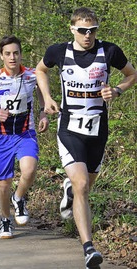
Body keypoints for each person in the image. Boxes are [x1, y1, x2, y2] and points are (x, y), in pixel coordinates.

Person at [34, 7, 136, 268]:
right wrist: (47, 98)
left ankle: (69, 190)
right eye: (82, 30)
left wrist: (117, 90)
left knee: (85, 186)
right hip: (69, 129)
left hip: (98, 130)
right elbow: (40, 70)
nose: (87, 35)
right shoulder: (59, 52)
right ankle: (89, 248)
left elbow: (132, 74)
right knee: (81, 185)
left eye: (92, 30)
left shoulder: (109, 51)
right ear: (73, 30)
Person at [0, 36, 49, 239]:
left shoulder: (32, 75)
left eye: (16, 53)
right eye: (8, 53)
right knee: (4, 182)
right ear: (1, 56)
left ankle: (19, 197)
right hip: (1, 136)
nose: (12, 57)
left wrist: (43, 112)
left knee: (30, 169)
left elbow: (43, 91)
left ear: (21, 54)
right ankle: (5, 220)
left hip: (25, 133)